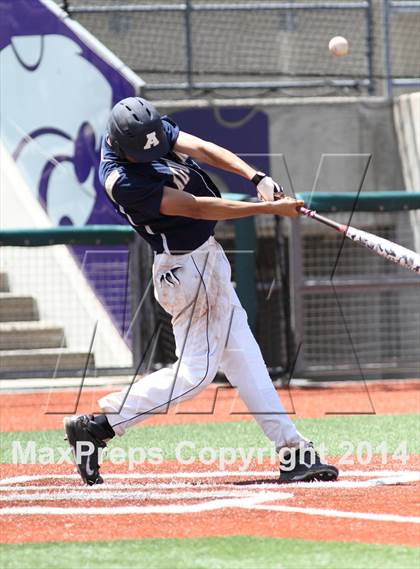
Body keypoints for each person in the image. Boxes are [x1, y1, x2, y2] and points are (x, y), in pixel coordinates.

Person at [64, 97, 339, 486]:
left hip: (205, 260)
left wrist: (256, 178)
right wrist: (267, 211)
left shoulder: (147, 131)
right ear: (121, 144)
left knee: (244, 355)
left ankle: (293, 451)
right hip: (185, 269)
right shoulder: (122, 181)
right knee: (196, 375)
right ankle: (98, 426)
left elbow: (204, 149)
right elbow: (194, 208)